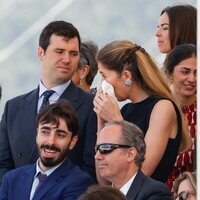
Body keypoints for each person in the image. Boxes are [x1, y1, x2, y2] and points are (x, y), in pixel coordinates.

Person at [0, 21, 97, 182]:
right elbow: (2, 165)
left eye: (73, 53)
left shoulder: (92, 106)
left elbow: (92, 169)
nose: (67, 59)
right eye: (59, 51)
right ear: (41, 53)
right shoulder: (13, 107)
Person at [93, 40, 191, 183]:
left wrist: (117, 120)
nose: (102, 83)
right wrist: (101, 122)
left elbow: (142, 171)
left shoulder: (162, 108)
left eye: (104, 76)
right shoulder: (126, 110)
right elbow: (103, 179)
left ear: (126, 76)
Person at [0, 100, 95, 200]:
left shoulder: (80, 183)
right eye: (45, 132)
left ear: (72, 141)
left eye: (60, 135)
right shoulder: (11, 179)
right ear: (37, 134)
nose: (51, 142)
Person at [95, 120, 172, 200]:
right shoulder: (99, 196)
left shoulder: (156, 192)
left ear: (130, 154)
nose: (97, 156)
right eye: (96, 149)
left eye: (105, 148)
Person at [163, 44, 196, 190]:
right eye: (185, 72)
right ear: (170, 73)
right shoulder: (158, 109)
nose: (192, 79)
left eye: (197, 73)